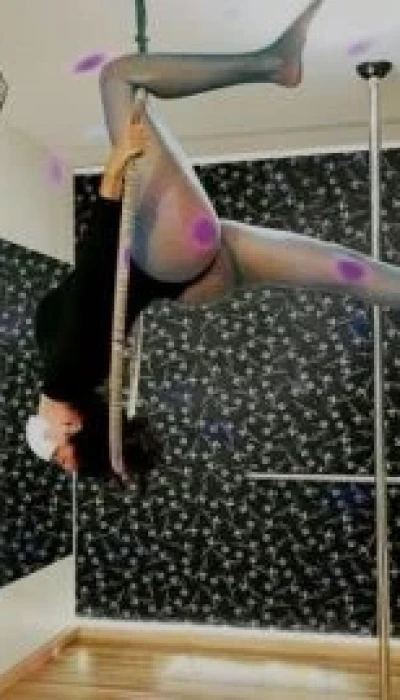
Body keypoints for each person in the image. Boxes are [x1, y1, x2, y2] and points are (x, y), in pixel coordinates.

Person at [26, 0, 400, 484]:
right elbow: (97, 272)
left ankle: (274, 63)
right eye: (60, 458)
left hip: (193, 279)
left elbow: (98, 289)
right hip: (173, 253)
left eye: (61, 462)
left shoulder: (71, 373)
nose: (59, 460)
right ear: (69, 427)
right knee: (117, 77)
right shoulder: (65, 372)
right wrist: (111, 180)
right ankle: (272, 64)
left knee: (345, 269)